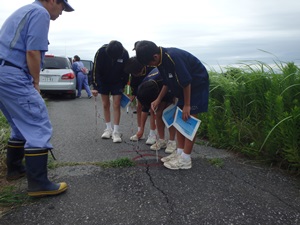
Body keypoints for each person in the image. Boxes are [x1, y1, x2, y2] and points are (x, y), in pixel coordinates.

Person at [0, 0, 74, 197]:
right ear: (51, 1)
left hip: (3, 73)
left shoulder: (24, 10)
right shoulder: (40, 13)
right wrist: (35, 82)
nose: (62, 12)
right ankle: (39, 184)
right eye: (62, 7)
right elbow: (32, 51)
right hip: (14, 74)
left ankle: (15, 170)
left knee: (19, 123)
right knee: (37, 123)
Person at [135, 40, 209, 170]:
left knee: (189, 118)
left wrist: (187, 105)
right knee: (179, 119)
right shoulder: (161, 60)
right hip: (183, 89)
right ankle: (179, 153)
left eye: (150, 63)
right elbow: (166, 82)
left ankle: (186, 159)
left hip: (196, 86)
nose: (151, 66)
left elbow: (186, 81)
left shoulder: (173, 57)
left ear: (155, 57)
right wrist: (158, 99)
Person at [125, 57, 177, 153]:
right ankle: (161, 140)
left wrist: (159, 99)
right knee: (158, 113)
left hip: (170, 88)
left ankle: (172, 141)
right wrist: (156, 102)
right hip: (156, 90)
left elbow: (170, 83)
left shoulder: (162, 77)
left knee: (169, 115)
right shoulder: (143, 84)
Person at [92, 40, 129, 143]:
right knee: (105, 104)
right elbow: (96, 70)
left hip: (117, 82)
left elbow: (126, 71)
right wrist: (95, 86)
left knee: (116, 104)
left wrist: (123, 85)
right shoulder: (101, 52)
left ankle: (116, 131)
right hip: (104, 81)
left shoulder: (124, 53)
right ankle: (108, 128)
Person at [124, 57, 156, 145]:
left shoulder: (151, 68)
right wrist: (133, 95)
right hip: (141, 91)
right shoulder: (134, 72)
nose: (134, 74)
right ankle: (140, 131)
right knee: (139, 107)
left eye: (136, 73)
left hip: (154, 90)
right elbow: (134, 83)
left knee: (152, 110)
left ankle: (152, 134)